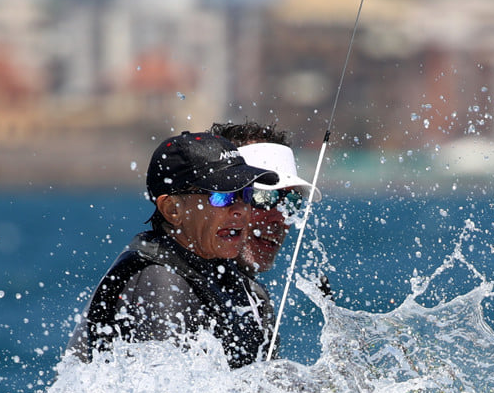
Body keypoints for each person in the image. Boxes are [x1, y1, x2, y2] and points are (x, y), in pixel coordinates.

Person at [68, 131, 284, 368]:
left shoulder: (232, 281)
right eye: (223, 197)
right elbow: (163, 389)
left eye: (247, 194)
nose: (241, 209)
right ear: (172, 209)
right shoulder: (160, 282)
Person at [208, 119, 320, 275]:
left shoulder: (245, 289)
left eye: (291, 201)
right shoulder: (178, 282)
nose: (281, 218)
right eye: (264, 197)